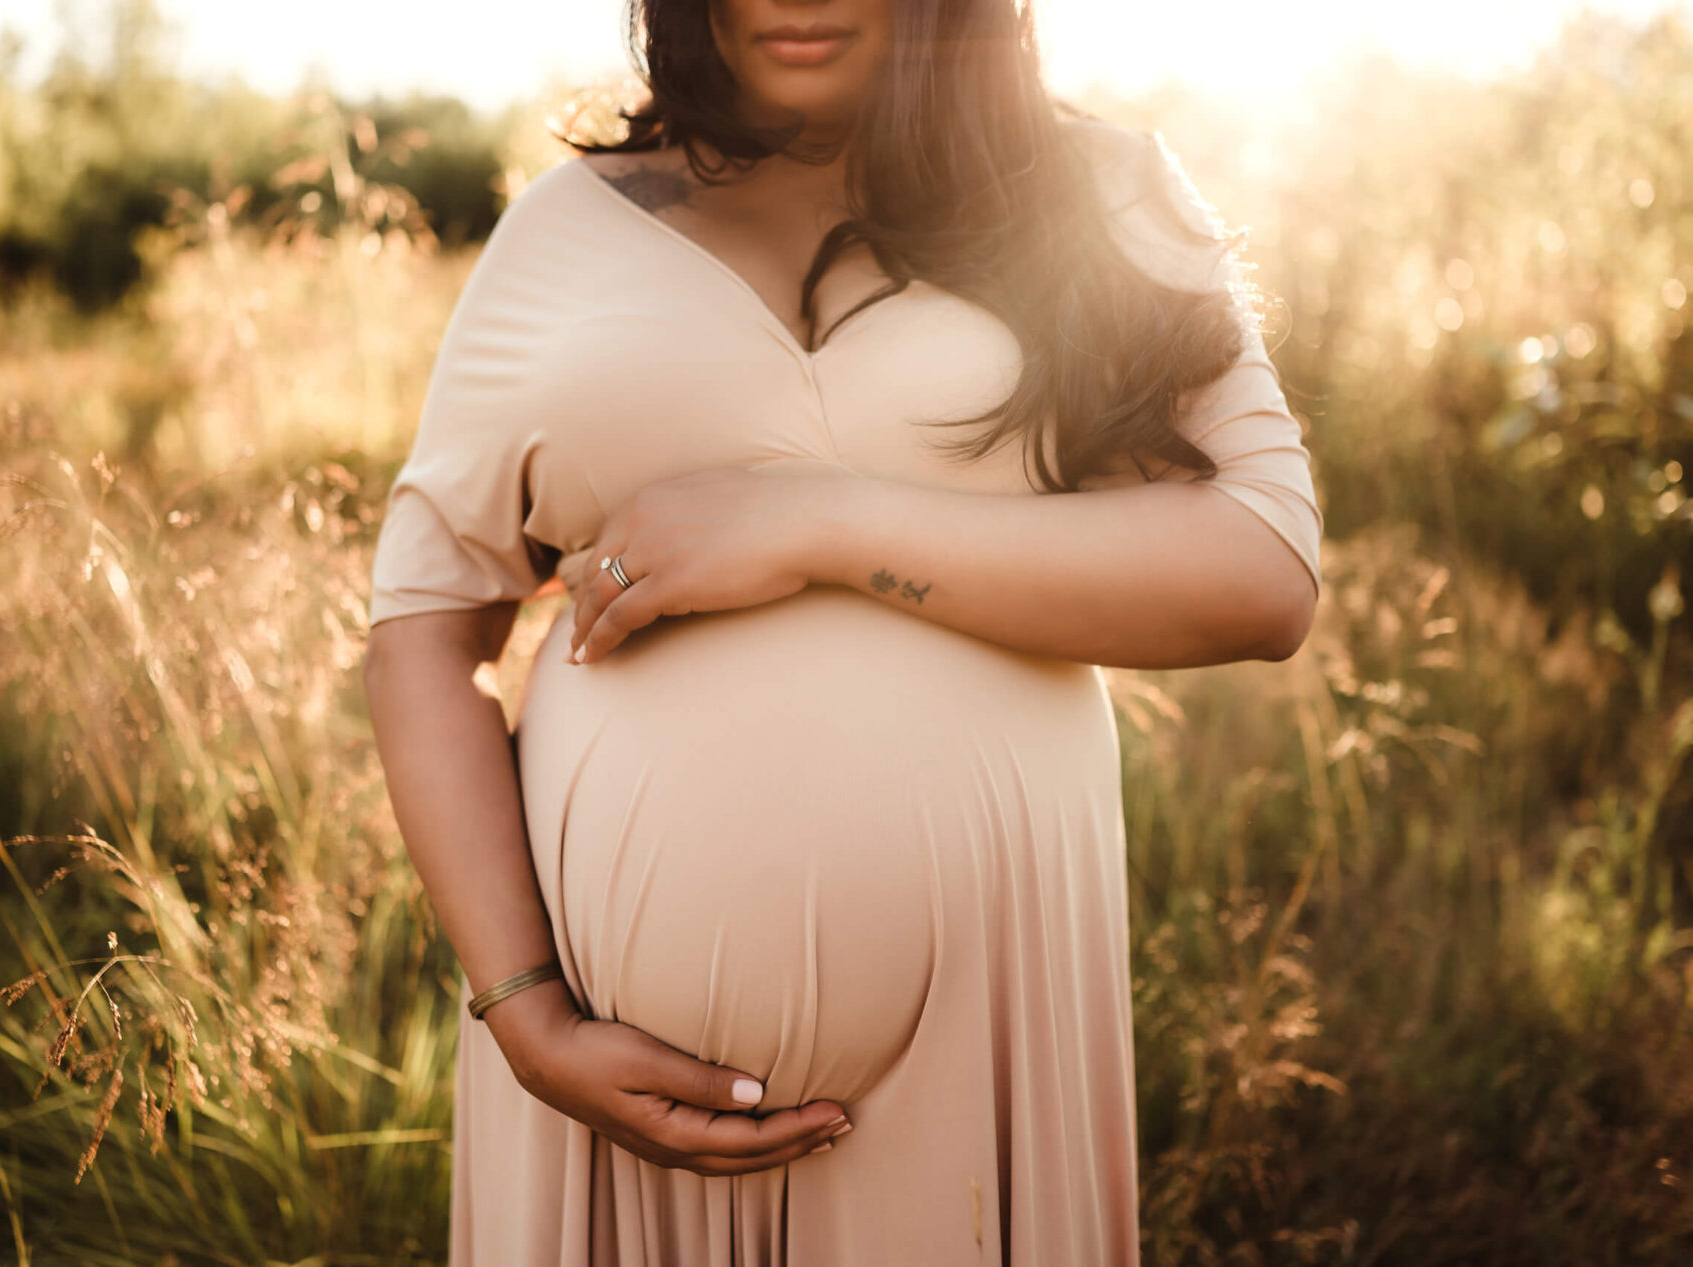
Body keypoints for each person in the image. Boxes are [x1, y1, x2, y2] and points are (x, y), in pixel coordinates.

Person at [362, 1, 1324, 1262]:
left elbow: (1263, 567)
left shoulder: (1092, 191)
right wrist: (527, 1010)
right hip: (610, 1086)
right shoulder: (564, 229)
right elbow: (425, 625)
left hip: (985, 1052)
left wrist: (819, 524)